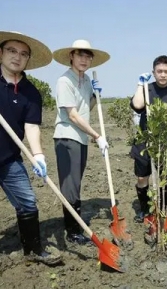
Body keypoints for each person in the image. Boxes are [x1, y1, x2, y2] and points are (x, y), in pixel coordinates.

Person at [0, 31, 61, 265]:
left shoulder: (31, 93)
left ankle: (33, 250)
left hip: (9, 159)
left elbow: (32, 126)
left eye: (23, 54)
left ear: (28, 60)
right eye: (12, 51)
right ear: (1, 53)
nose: (17, 57)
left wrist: (38, 156)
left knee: (27, 201)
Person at [52, 40, 110, 245]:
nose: (84, 60)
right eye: (80, 55)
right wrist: (97, 136)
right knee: (70, 186)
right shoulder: (64, 81)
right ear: (71, 56)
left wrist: (95, 95)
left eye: (88, 56)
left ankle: (73, 225)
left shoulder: (85, 80)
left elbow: (87, 108)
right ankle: (73, 231)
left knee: (75, 184)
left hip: (81, 138)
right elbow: (74, 116)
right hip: (67, 137)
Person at [130, 55, 167, 223]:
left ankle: (163, 209)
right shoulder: (146, 88)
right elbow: (137, 106)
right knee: (142, 177)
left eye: (166, 71)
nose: (163, 74)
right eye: (159, 71)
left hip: (166, 142)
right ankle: (144, 210)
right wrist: (139, 84)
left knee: (166, 178)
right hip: (145, 140)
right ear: (154, 72)